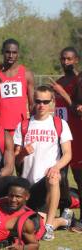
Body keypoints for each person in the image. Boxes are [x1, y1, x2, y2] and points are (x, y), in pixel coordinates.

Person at [13, 85, 72, 241]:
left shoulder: (60, 124)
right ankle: (62, 220)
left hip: (47, 182)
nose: (41, 105)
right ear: (33, 102)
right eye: (38, 101)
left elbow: (68, 154)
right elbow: (16, 161)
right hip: (28, 186)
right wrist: (23, 153)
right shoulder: (23, 125)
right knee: (32, 224)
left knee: (53, 178)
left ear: (52, 102)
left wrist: (56, 167)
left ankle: (50, 227)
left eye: (46, 102)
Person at [51, 47, 82, 229]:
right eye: (63, 59)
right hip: (60, 137)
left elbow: (77, 110)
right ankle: (64, 214)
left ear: (76, 60)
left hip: (77, 136)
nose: (66, 62)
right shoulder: (59, 81)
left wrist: (62, 92)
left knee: (79, 178)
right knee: (60, 177)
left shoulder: (79, 81)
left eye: (70, 59)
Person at [0, 38, 35, 135]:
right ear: (2, 52)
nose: (11, 56)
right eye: (8, 52)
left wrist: (32, 125)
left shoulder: (26, 74)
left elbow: (32, 104)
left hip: (21, 127)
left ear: (18, 53)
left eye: (14, 52)